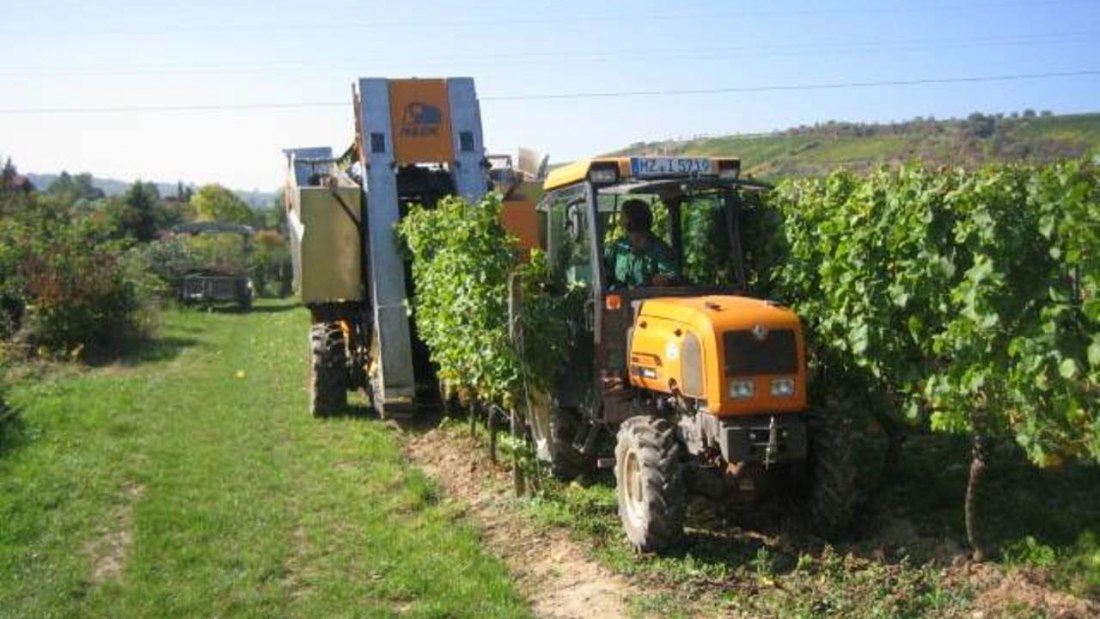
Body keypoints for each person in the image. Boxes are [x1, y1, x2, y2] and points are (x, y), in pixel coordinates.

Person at [604, 199, 679, 288]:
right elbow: (604, 267)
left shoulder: (660, 249)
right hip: (620, 299)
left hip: (649, 300)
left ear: (631, 220)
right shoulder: (619, 246)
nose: (620, 219)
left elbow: (671, 276)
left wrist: (665, 280)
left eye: (623, 216)